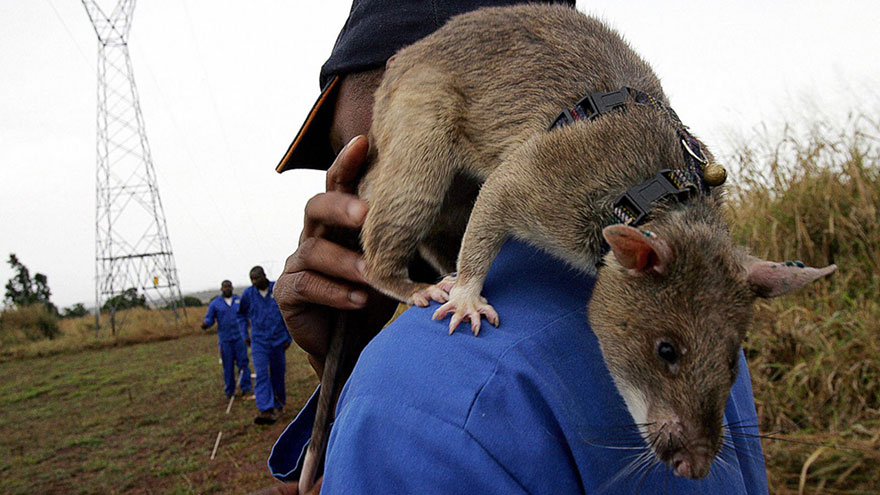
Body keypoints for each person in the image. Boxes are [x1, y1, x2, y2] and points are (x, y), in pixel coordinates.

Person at [259, 1, 770, 494]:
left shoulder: (416, 393)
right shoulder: (706, 313)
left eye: (360, 150)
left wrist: (375, 378)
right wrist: (351, 363)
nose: (347, 185)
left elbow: (420, 427)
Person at [239, 266, 293, 425]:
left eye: (257, 278)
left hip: (278, 340)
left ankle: (279, 404)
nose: (254, 282)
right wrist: (244, 334)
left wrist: (288, 337)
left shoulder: (277, 289)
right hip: (259, 342)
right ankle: (266, 410)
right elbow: (241, 315)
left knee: (278, 373)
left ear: (264, 276)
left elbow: (289, 312)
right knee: (262, 373)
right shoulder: (248, 294)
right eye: (252, 279)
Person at [200, 280, 252, 399]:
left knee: (243, 363)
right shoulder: (215, 304)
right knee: (227, 366)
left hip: (239, 338)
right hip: (225, 339)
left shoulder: (239, 301)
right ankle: (230, 390)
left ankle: (246, 388)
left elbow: (247, 315)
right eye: (225, 287)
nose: (227, 289)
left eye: (229, 286)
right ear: (221, 289)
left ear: (232, 288)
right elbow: (209, 318)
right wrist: (205, 324)